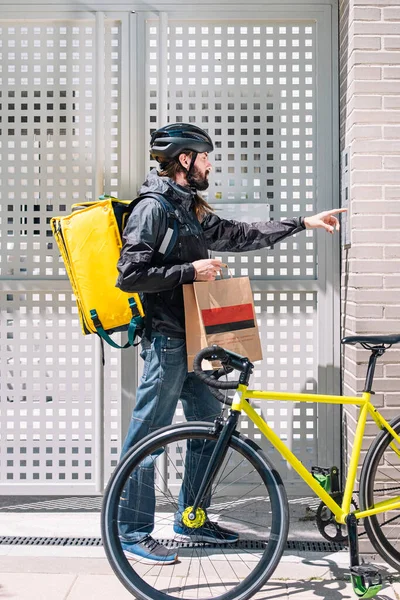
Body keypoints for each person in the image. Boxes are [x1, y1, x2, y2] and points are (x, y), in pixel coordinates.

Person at [116, 123, 345, 564]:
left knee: (211, 432)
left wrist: (302, 223)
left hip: (200, 342)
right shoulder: (153, 208)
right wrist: (192, 271)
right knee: (148, 438)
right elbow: (129, 276)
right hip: (166, 341)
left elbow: (239, 234)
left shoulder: (189, 208)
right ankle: (130, 531)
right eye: (205, 157)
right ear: (184, 160)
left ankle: (192, 517)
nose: (210, 164)